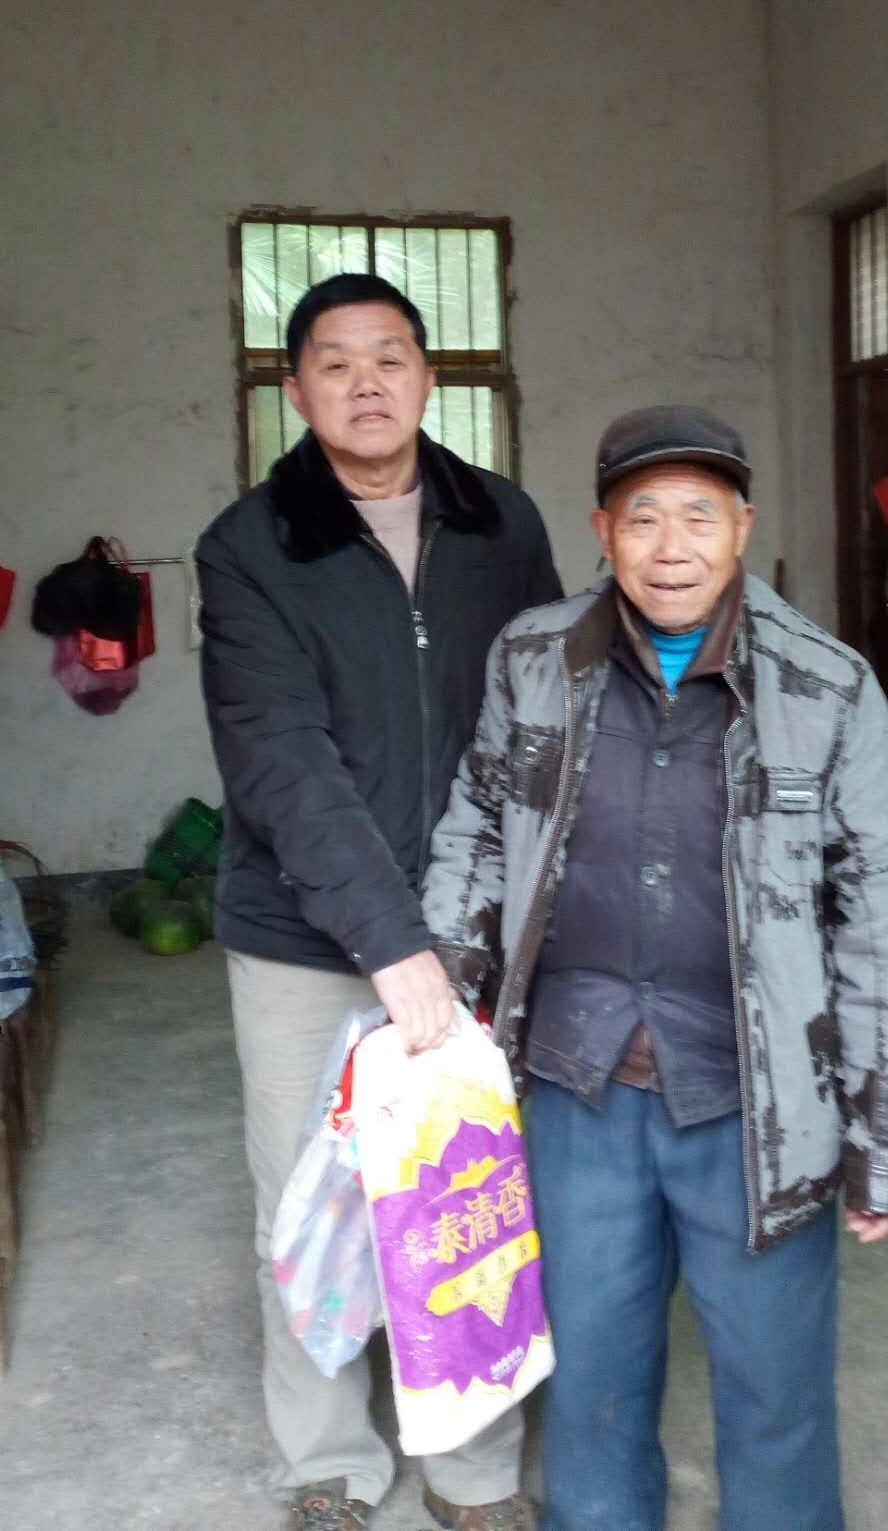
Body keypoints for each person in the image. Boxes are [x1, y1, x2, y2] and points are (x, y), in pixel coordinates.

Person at [421, 404, 888, 1531]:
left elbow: (885, 916)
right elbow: (476, 826)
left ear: (742, 527)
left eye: (700, 516)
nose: (671, 547)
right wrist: (440, 991)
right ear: (603, 531)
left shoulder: (827, 686)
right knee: (593, 1382)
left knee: (774, 1388)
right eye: (643, 516)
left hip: (758, 1100)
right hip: (579, 1083)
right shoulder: (533, 659)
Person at [197, 272, 559, 1531]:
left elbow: (541, 719)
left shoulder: (501, 522)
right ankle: (332, 1462)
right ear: (297, 390)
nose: (366, 383)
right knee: (309, 1199)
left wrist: (501, 912)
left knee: (466, 1200)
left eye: (390, 356)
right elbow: (280, 759)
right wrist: (393, 941)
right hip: (302, 939)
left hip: (474, 928)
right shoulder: (251, 546)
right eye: (335, 362)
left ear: (429, 377)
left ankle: (472, 1465)